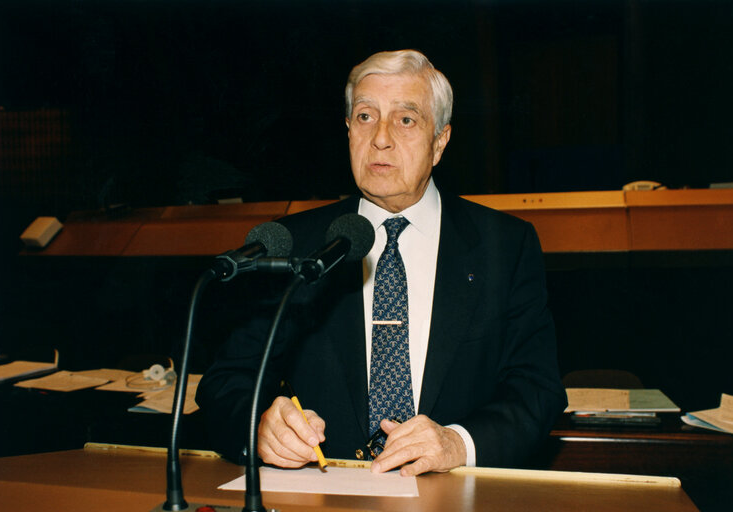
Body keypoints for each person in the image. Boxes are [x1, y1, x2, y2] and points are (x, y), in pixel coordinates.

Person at [197, 49, 566, 476]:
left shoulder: (505, 246)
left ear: (440, 141)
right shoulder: (295, 243)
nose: (381, 138)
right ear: (348, 129)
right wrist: (259, 427)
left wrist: (458, 443)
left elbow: (537, 391)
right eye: (366, 116)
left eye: (406, 120)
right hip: (320, 499)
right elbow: (226, 383)